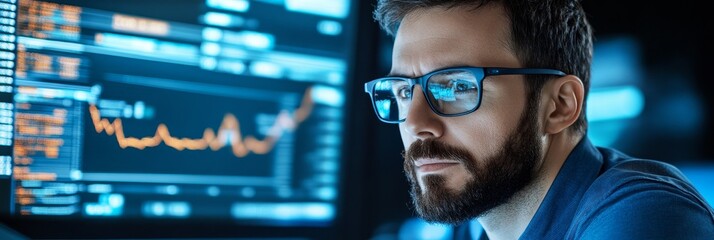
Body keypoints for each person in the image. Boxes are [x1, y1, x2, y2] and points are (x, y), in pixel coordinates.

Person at [363, 0, 714, 239]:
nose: (414, 123)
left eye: (456, 86)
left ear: (560, 105)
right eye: (404, 92)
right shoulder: (477, 220)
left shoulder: (645, 215)